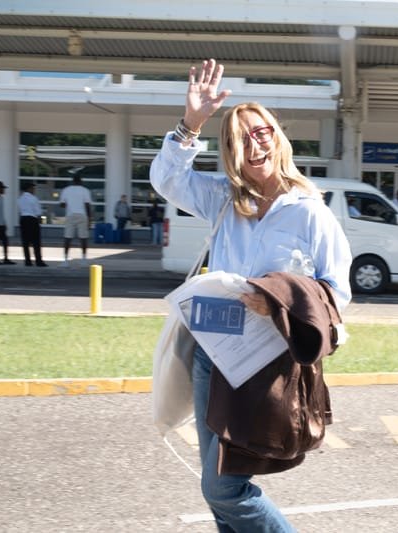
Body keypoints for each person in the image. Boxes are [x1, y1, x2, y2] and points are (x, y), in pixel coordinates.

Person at [150, 58, 351, 532]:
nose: (253, 143)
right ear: (230, 152)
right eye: (241, 138)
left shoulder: (309, 213)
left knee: (223, 487)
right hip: (212, 354)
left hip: (266, 362)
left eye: (261, 132)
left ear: (277, 139)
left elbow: (336, 292)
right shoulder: (223, 198)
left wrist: (279, 299)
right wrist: (191, 123)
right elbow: (167, 180)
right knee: (220, 481)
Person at [59, 175, 92, 266]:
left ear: (72, 181)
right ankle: (84, 260)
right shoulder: (85, 190)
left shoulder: (66, 190)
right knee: (83, 238)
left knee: (67, 237)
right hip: (82, 215)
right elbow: (87, 206)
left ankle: (65, 260)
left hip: (70, 215)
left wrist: (69, 205)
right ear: (81, 182)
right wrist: (90, 219)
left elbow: (62, 204)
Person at [17, 182, 47, 267]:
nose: (34, 190)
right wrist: (40, 220)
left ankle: (27, 261)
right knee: (36, 242)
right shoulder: (34, 198)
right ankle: (38, 261)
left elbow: (19, 210)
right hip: (32, 220)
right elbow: (38, 211)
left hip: (23, 219)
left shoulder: (20, 199)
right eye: (33, 188)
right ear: (29, 189)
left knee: (25, 241)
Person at [0, 181, 15, 265]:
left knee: (5, 241)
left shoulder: (2, 198)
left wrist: (4, 222)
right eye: (2, 188)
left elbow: (1, 212)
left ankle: (6, 258)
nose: (4, 190)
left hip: (1, 224)